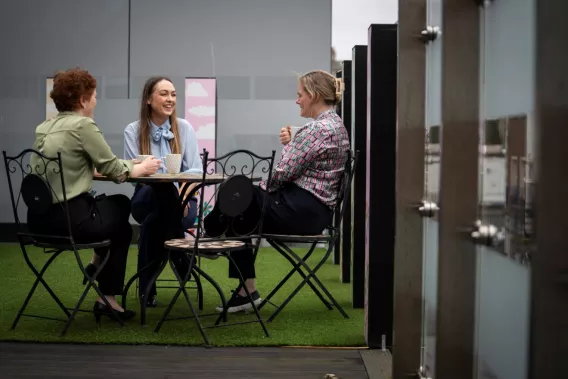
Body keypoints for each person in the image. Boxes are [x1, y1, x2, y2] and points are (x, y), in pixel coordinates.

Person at [204, 70, 350, 313]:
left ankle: (211, 235)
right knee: (240, 202)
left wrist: (257, 190)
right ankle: (244, 288)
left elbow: (282, 173)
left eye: (300, 94)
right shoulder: (334, 125)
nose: (297, 100)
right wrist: (296, 136)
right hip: (314, 211)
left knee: (237, 193)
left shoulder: (317, 130)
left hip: (301, 211)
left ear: (313, 95)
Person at [27, 68, 161, 323]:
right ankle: (105, 294)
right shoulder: (83, 125)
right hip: (71, 220)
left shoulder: (44, 127)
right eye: (94, 96)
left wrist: (94, 168)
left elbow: (71, 163)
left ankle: (100, 278)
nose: (96, 101)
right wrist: (139, 167)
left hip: (38, 221)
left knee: (116, 225)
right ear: (83, 100)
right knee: (121, 208)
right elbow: (112, 169)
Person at [123, 76, 203, 307]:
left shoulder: (184, 128)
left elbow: (195, 171)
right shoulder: (133, 130)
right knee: (163, 189)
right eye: (164, 94)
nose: (170, 99)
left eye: (173, 94)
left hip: (184, 202)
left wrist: (184, 194)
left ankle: (146, 290)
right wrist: (167, 188)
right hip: (145, 199)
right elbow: (132, 173)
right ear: (149, 99)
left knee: (151, 224)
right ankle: (180, 255)